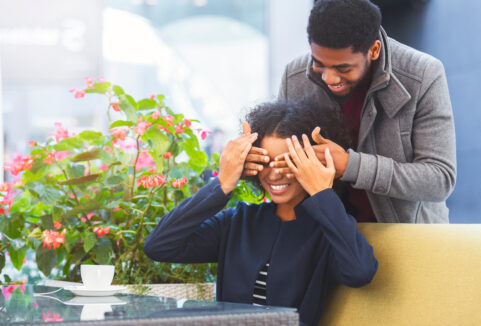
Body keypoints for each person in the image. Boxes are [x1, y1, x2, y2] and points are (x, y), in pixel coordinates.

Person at [144, 99, 378, 326]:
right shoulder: (238, 221)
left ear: (311, 165)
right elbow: (159, 245)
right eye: (266, 162)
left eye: (287, 163)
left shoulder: (329, 230)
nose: (274, 174)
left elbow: (360, 272)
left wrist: (321, 191)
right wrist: (223, 184)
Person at [243, 0, 456, 223]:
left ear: (374, 50)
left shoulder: (423, 75)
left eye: (343, 68)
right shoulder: (294, 77)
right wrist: (256, 161)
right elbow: (286, 162)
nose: (329, 78)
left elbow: (440, 179)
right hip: (323, 235)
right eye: (319, 63)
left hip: (406, 235)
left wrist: (349, 165)